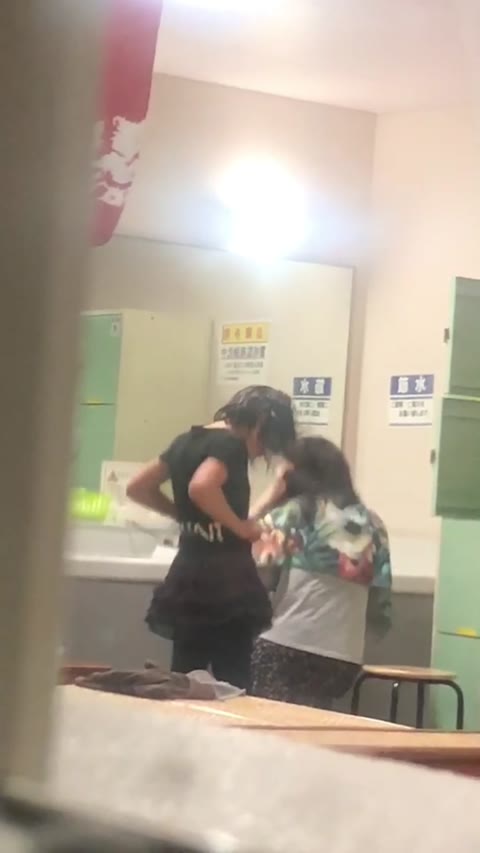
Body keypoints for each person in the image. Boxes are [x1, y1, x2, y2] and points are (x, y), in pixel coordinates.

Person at [126, 385, 296, 690]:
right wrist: (240, 528)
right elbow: (201, 487)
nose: (261, 452)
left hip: (188, 576)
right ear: (261, 423)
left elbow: (138, 487)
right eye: (267, 442)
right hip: (226, 581)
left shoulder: (186, 441)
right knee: (233, 681)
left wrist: (182, 514)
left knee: (184, 680)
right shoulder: (231, 445)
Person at [250, 436, 392, 709]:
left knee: (270, 726)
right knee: (314, 725)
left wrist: (271, 494)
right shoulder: (373, 523)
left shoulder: (296, 513)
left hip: (287, 647)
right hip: (344, 658)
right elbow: (380, 601)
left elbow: (243, 544)